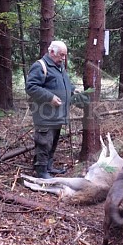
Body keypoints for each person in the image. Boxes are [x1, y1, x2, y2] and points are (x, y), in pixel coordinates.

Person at [26, 40, 74, 178]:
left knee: (52, 142)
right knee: (43, 142)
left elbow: (64, 84)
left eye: (65, 55)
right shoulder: (40, 66)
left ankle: (48, 166)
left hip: (57, 115)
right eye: (61, 55)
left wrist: (72, 91)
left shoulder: (59, 67)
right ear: (52, 52)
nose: (63, 58)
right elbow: (31, 87)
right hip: (45, 115)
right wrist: (50, 97)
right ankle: (41, 171)